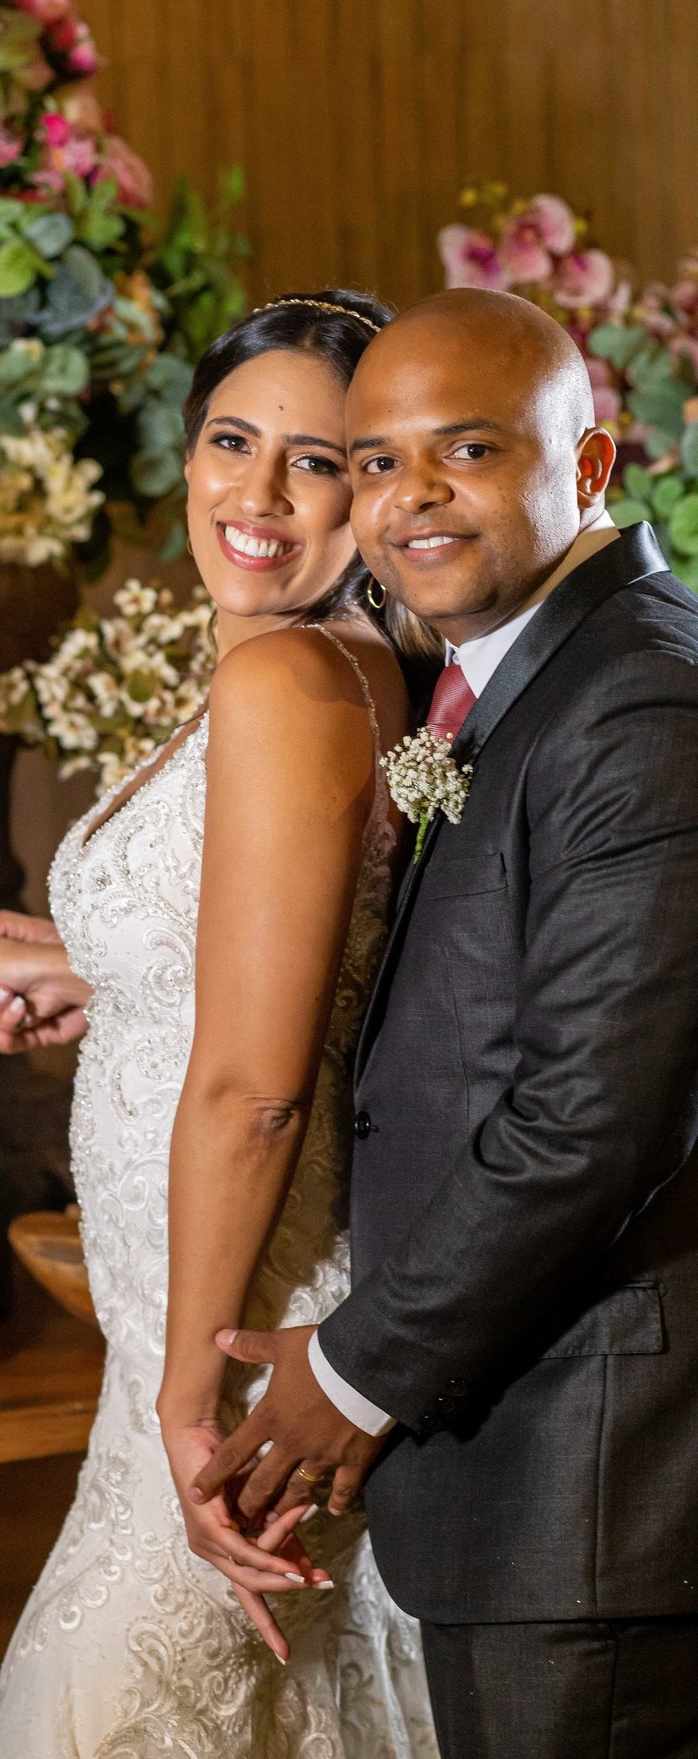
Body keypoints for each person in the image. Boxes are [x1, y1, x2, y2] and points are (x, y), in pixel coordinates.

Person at [0, 292, 440, 1757]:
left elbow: (261, 1092)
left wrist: (183, 1388)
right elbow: (312, 965)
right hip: (187, 1319)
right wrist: (97, 972)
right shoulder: (316, 666)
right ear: (187, 449)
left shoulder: (288, 676)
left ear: (378, 486)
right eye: (230, 440)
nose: (258, 494)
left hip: (225, 1331)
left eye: (318, 459)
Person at [193, 288, 698, 1758]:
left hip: (594, 1475)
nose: (408, 498)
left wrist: (352, 1372)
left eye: (464, 452)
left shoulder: (643, 702)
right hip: (523, 1466)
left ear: (590, 470)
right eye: (374, 459)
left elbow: (600, 1115)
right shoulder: (500, 681)